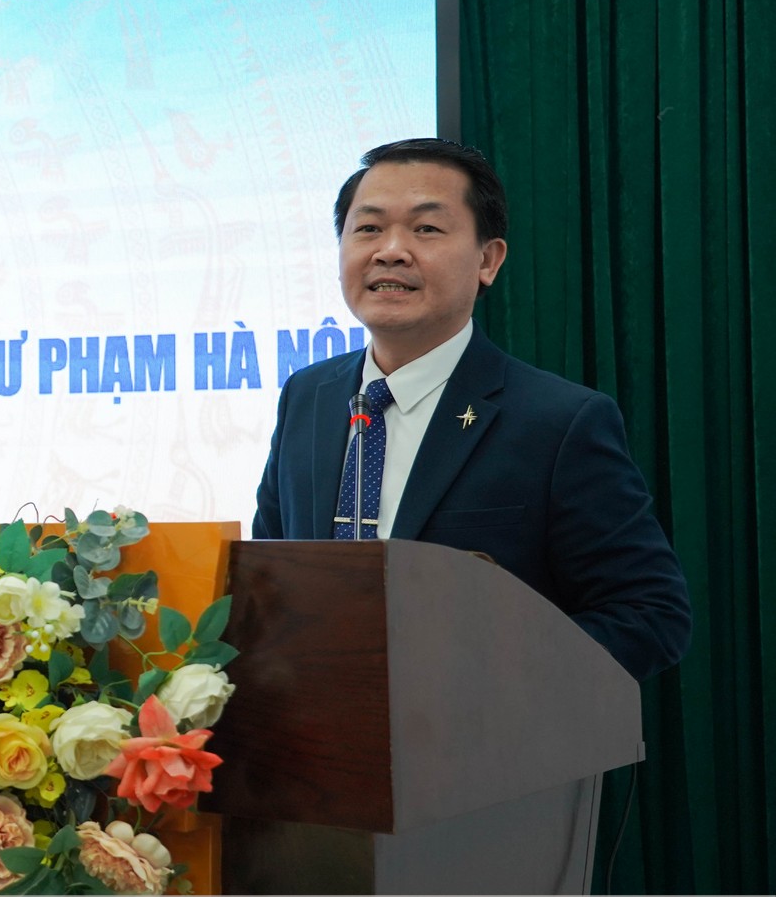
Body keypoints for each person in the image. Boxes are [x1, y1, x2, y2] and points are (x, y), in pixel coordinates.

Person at [252, 138, 690, 679]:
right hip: (320, 722)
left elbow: (650, 615)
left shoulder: (558, 422)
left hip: (480, 726)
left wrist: (482, 672)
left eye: (426, 229)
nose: (391, 250)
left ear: (488, 260)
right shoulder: (307, 396)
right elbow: (265, 581)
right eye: (368, 228)